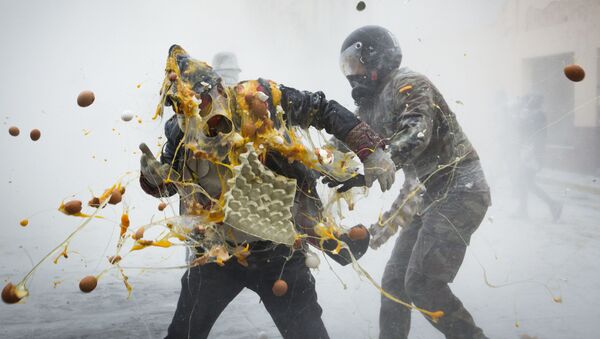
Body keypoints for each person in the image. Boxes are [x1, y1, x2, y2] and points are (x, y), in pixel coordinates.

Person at [139, 45, 396, 339]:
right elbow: (168, 185)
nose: (196, 112)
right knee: (183, 334)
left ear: (219, 88)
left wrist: (371, 151)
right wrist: (153, 178)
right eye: (184, 107)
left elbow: (320, 109)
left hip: (277, 252)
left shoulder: (260, 98)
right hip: (215, 254)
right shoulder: (179, 130)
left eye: (202, 101)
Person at [336, 26, 491, 339]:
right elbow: (341, 144)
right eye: (348, 68)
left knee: (422, 284)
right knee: (395, 283)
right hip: (429, 194)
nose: (353, 75)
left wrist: (374, 165)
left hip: (460, 189)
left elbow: (417, 134)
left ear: (376, 58)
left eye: (357, 65)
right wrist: (306, 163)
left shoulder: (408, 84)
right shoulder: (370, 105)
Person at [511, 93, 562, 220]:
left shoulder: (537, 115)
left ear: (536, 101)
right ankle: (549, 205)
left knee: (526, 182)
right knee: (526, 182)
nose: (528, 101)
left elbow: (536, 135)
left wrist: (534, 155)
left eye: (531, 99)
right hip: (529, 152)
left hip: (532, 153)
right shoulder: (534, 114)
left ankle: (552, 204)